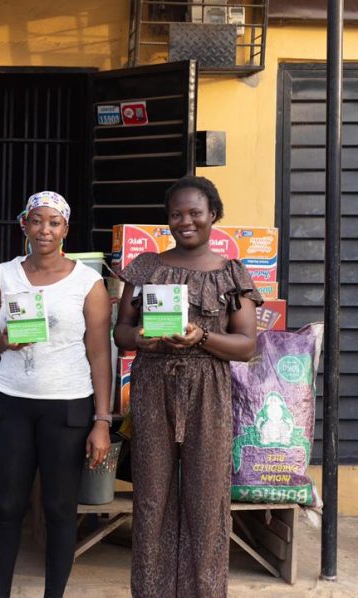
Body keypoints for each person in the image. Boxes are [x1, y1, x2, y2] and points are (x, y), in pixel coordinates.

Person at [113, 176, 261, 597]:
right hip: (153, 386)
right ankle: (151, 590)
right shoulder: (145, 268)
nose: (185, 221)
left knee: (208, 498)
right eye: (176, 214)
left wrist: (203, 338)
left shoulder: (231, 273)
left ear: (213, 214)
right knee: (152, 497)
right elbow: (121, 332)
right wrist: (139, 338)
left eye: (195, 212)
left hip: (209, 389)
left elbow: (246, 345)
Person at [0, 191, 112, 598]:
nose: (45, 230)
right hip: (11, 400)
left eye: (54, 222)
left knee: (59, 509)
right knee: (6, 506)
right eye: (36, 221)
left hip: (68, 404)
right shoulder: (4, 274)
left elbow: (99, 354)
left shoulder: (88, 282)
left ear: (66, 228)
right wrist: (4, 341)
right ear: (25, 225)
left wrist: (102, 421)